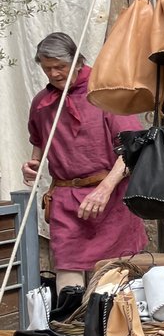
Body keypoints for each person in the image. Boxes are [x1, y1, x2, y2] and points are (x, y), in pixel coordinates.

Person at [22, 33, 147, 290]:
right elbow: (39, 139)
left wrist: (104, 189)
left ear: (78, 62)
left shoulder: (104, 93)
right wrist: (33, 163)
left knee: (111, 284)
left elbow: (132, 149)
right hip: (66, 199)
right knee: (68, 279)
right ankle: (68, 327)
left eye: (60, 66)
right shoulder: (42, 103)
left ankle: (109, 328)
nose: (54, 74)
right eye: (48, 68)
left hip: (110, 197)